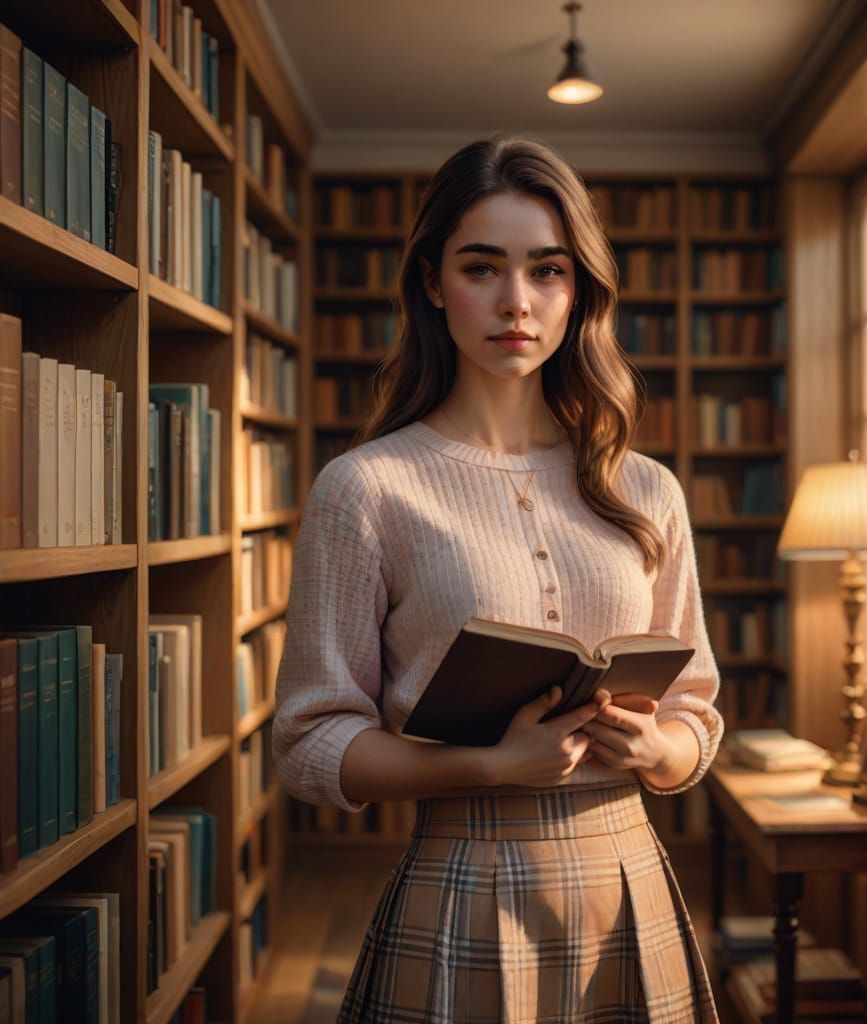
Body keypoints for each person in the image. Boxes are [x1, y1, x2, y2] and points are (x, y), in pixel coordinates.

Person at [272, 133, 724, 1024]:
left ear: (578, 291)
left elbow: (696, 712)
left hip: (631, 884)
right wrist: (491, 765)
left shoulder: (647, 488)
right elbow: (310, 743)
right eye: (483, 268)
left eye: (547, 271)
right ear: (434, 284)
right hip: (462, 888)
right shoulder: (365, 488)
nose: (517, 301)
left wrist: (659, 753)